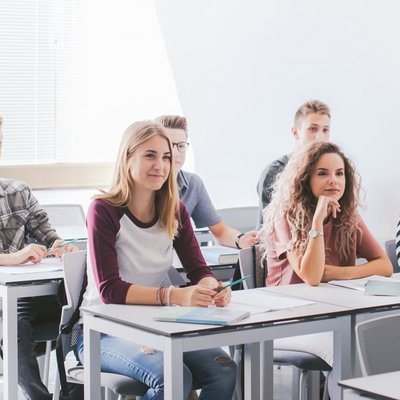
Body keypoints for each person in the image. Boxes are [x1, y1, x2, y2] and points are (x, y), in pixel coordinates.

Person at [77, 120, 237, 400]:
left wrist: (213, 288)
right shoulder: (103, 210)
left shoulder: (175, 210)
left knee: (224, 371)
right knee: (175, 378)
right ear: (128, 158)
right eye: (149, 155)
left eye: (166, 157)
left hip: (159, 323)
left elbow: (199, 269)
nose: (160, 165)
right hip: (101, 331)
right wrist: (173, 295)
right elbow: (110, 290)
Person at [260, 141, 392, 373]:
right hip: (289, 318)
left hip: (336, 313)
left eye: (339, 173)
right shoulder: (286, 215)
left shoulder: (347, 214)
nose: (334, 180)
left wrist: (338, 274)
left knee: (384, 340)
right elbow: (311, 276)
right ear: (304, 178)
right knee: (351, 349)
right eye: (323, 173)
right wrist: (318, 220)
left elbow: (384, 265)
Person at [0, 116, 78, 400]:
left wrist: (60, 245)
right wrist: (10, 258)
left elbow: (45, 231)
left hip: (30, 293)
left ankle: (73, 392)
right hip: (5, 301)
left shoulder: (18, 191)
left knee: (80, 306)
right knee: (15, 324)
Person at [157, 115, 258, 250]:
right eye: (169, 145)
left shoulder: (193, 184)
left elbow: (221, 231)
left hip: (179, 260)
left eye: (181, 146)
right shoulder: (144, 185)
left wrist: (240, 240)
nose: (175, 153)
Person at [256, 99, 331, 226]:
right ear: (295, 132)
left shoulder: (331, 170)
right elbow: (269, 229)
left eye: (325, 130)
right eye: (313, 129)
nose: (320, 136)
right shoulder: (274, 172)